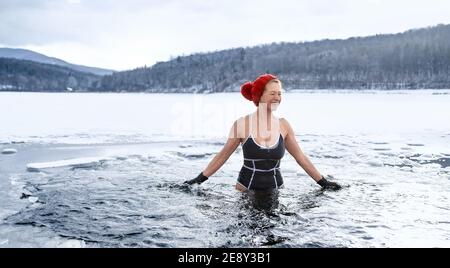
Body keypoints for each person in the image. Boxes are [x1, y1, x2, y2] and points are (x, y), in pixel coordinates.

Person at [184, 74, 341, 191]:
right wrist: (198, 180)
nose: (277, 97)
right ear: (260, 96)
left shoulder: (284, 125)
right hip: (246, 190)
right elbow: (223, 155)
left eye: (279, 93)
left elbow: (301, 157)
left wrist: (323, 182)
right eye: (272, 93)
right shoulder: (242, 124)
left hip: (276, 190)